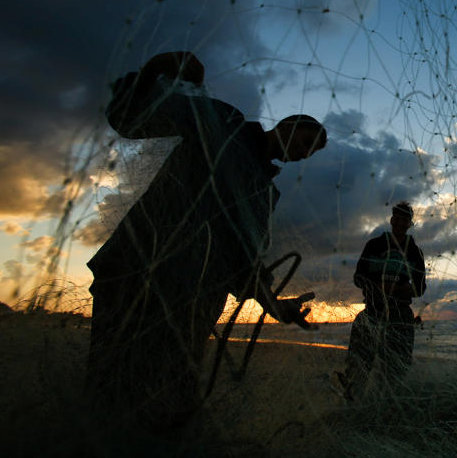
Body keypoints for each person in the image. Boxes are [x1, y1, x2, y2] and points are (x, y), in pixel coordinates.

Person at [86, 51, 327, 429]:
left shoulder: (265, 195)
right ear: (287, 124)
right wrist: (157, 68)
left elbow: (244, 265)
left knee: (171, 406)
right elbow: (133, 118)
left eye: (308, 154)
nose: (301, 155)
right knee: (108, 390)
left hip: (191, 305)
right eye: (303, 143)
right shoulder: (224, 121)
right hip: (135, 274)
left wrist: (277, 308)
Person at [337, 202, 426, 400]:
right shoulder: (374, 245)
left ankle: (388, 402)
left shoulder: (415, 252)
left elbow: (421, 288)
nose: (401, 222)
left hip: (400, 313)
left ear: (410, 223)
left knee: (397, 366)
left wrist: (404, 289)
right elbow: (358, 277)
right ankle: (352, 398)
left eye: (405, 219)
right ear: (392, 220)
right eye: (398, 218)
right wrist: (377, 286)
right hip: (373, 310)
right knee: (359, 362)